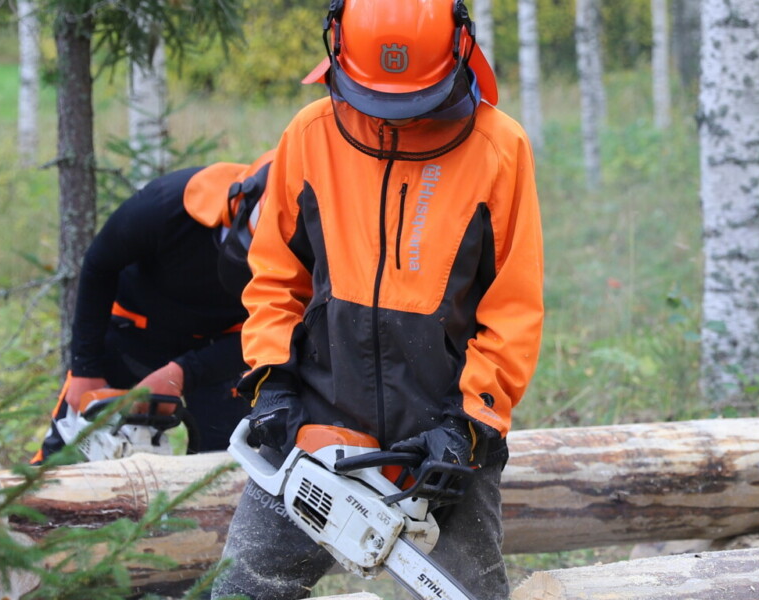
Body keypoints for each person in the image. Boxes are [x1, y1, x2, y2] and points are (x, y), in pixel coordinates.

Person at [209, 0, 542, 597]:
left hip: (441, 435)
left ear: (460, 52)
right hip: (317, 419)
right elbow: (274, 276)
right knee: (245, 587)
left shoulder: (499, 149)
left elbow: (512, 308)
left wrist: (468, 425)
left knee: (471, 590)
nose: (399, 118)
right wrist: (272, 382)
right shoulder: (311, 135)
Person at [31, 151, 276, 464]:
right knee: (62, 454)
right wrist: (85, 368)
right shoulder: (168, 203)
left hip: (225, 346)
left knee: (226, 466)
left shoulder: (310, 246)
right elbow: (99, 264)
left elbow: (279, 327)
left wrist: (185, 372)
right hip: (134, 328)